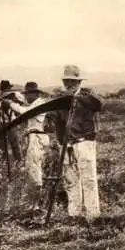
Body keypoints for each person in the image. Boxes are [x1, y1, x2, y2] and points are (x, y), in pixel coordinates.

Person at [45, 65, 103, 221]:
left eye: (73, 81)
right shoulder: (60, 100)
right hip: (66, 144)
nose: (69, 84)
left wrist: (77, 98)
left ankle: (92, 215)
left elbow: (98, 105)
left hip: (84, 142)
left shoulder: (88, 96)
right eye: (66, 81)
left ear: (79, 82)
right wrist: (50, 117)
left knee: (88, 178)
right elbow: (52, 118)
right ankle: (74, 214)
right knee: (70, 179)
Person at [3, 81, 49, 211]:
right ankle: (34, 202)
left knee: (34, 169)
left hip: (37, 137)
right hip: (35, 137)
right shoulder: (35, 103)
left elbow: (25, 112)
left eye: (29, 94)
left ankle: (35, 204)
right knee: (33, 168)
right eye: (26, 94)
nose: (27, 97)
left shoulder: (39, 104)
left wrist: (10, 104)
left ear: (35, 94)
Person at [0, 80, 23, 162]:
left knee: (14, 143)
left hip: (11, 122)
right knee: (0, 141)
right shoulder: (1, 99)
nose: (4, 92)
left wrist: (11, 100)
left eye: (5, 90)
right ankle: (4, 160)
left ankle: (18, 161)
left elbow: (19, 105)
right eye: (3, 90)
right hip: (2, 123)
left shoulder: (15, 97)